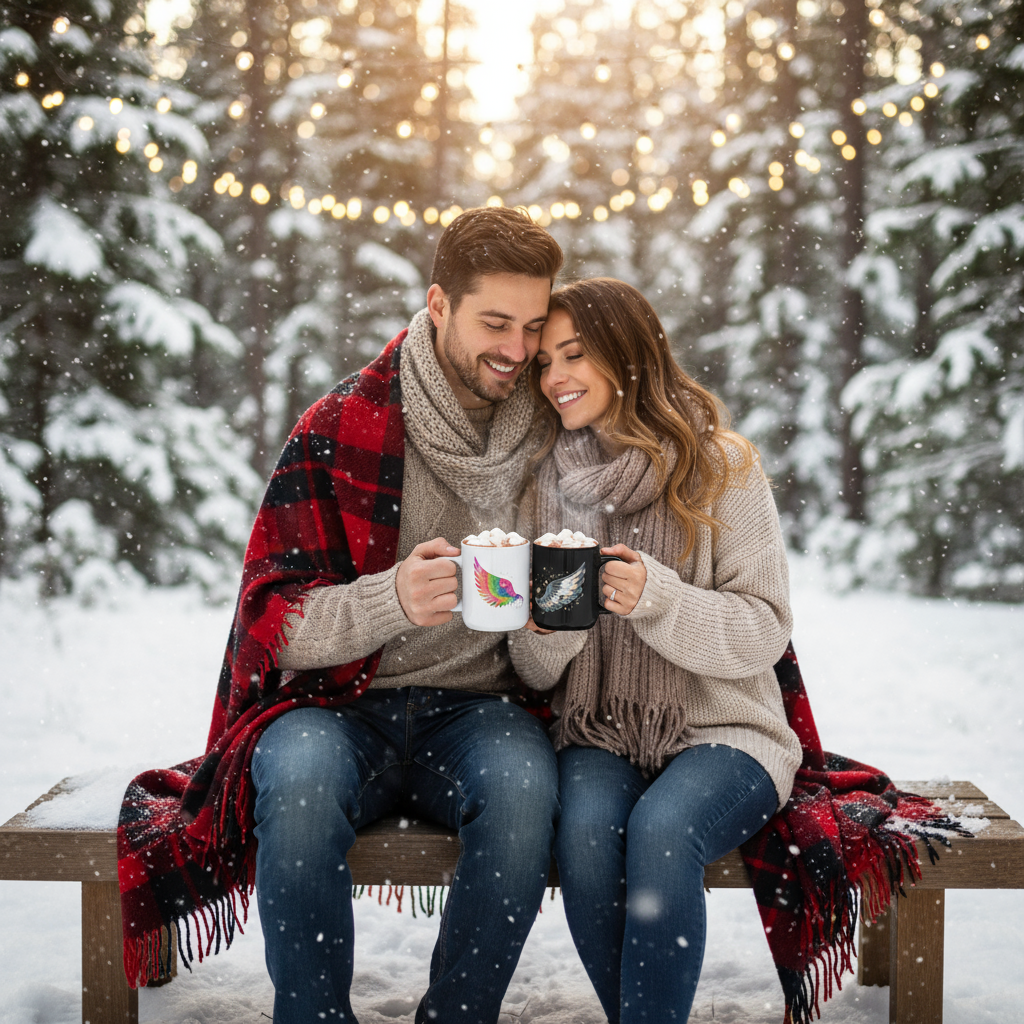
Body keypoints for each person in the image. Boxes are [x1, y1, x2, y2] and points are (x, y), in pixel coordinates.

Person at [117, 206, 564, 1024]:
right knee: (296, 783)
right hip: (336, 705)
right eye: (495, 322)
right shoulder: (342, 424)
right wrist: (387, 599)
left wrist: (546, 625)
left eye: (534, 325)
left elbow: (561, 625)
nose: (518, 349)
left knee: (527, 792)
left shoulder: (553, 437)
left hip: (484, 708)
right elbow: (272, 621)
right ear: (438, 305)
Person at [508, 278, 803, 1023]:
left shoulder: (721, 467)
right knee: (582, 832)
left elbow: (764, 627)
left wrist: (660, 601)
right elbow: (533, 667)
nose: (556, 377)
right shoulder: (545, 483)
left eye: (575, 355)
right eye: (545, 362)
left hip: (727, 731)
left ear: (629, 356)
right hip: (598, 729)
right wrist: (554, 626)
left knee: (664, 830)